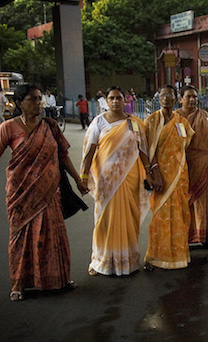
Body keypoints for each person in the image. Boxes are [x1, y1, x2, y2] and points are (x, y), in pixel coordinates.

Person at [0, 84, 88, 301]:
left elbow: (63, 155)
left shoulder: (50, 126)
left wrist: (78, 180)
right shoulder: (8, 128)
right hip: (21, 193)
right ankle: (19, 285)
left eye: (40, 99)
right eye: (32, 99)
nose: (38, 103)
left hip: (50, 191)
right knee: (21, 237)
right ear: (20, 102)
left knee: (53, 235)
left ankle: (59, 280)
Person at [80, 86, 152, 276]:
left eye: (119, 98)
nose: (115, 101)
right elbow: (89, 151)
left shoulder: (134, 123)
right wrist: (84, 176)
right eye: (111, 98)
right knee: (103, 219)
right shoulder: (98, 122)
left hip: (130, 178)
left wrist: (149, 172)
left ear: (125, 101)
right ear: (106, 101)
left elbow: (143, 150)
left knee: (129, 217)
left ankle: (127, 261)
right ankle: (100, 260)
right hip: (106, 179)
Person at [144, 85, 195, 269]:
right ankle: (156, 256)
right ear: (159, 98)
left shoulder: (182, 122)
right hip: (161, 177)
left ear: (176, 99)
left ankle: (179, 254)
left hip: (180, 176)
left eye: (170, 95)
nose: (166, 98)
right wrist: (152, 172)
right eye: (163, 95)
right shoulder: (151, 121)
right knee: (160, 215)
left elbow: (185, 146)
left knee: (180, 214)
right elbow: (147, 150)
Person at [175, 85, 208, 250]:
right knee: (184, 203)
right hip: (183, 167)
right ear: (181, 99)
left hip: (204, 166)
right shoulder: (175, 118)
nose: (192, 100)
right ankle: (184, 238)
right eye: (188, 96)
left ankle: (207, 238)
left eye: (195, 96)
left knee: (204, 202)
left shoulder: (206, 117)